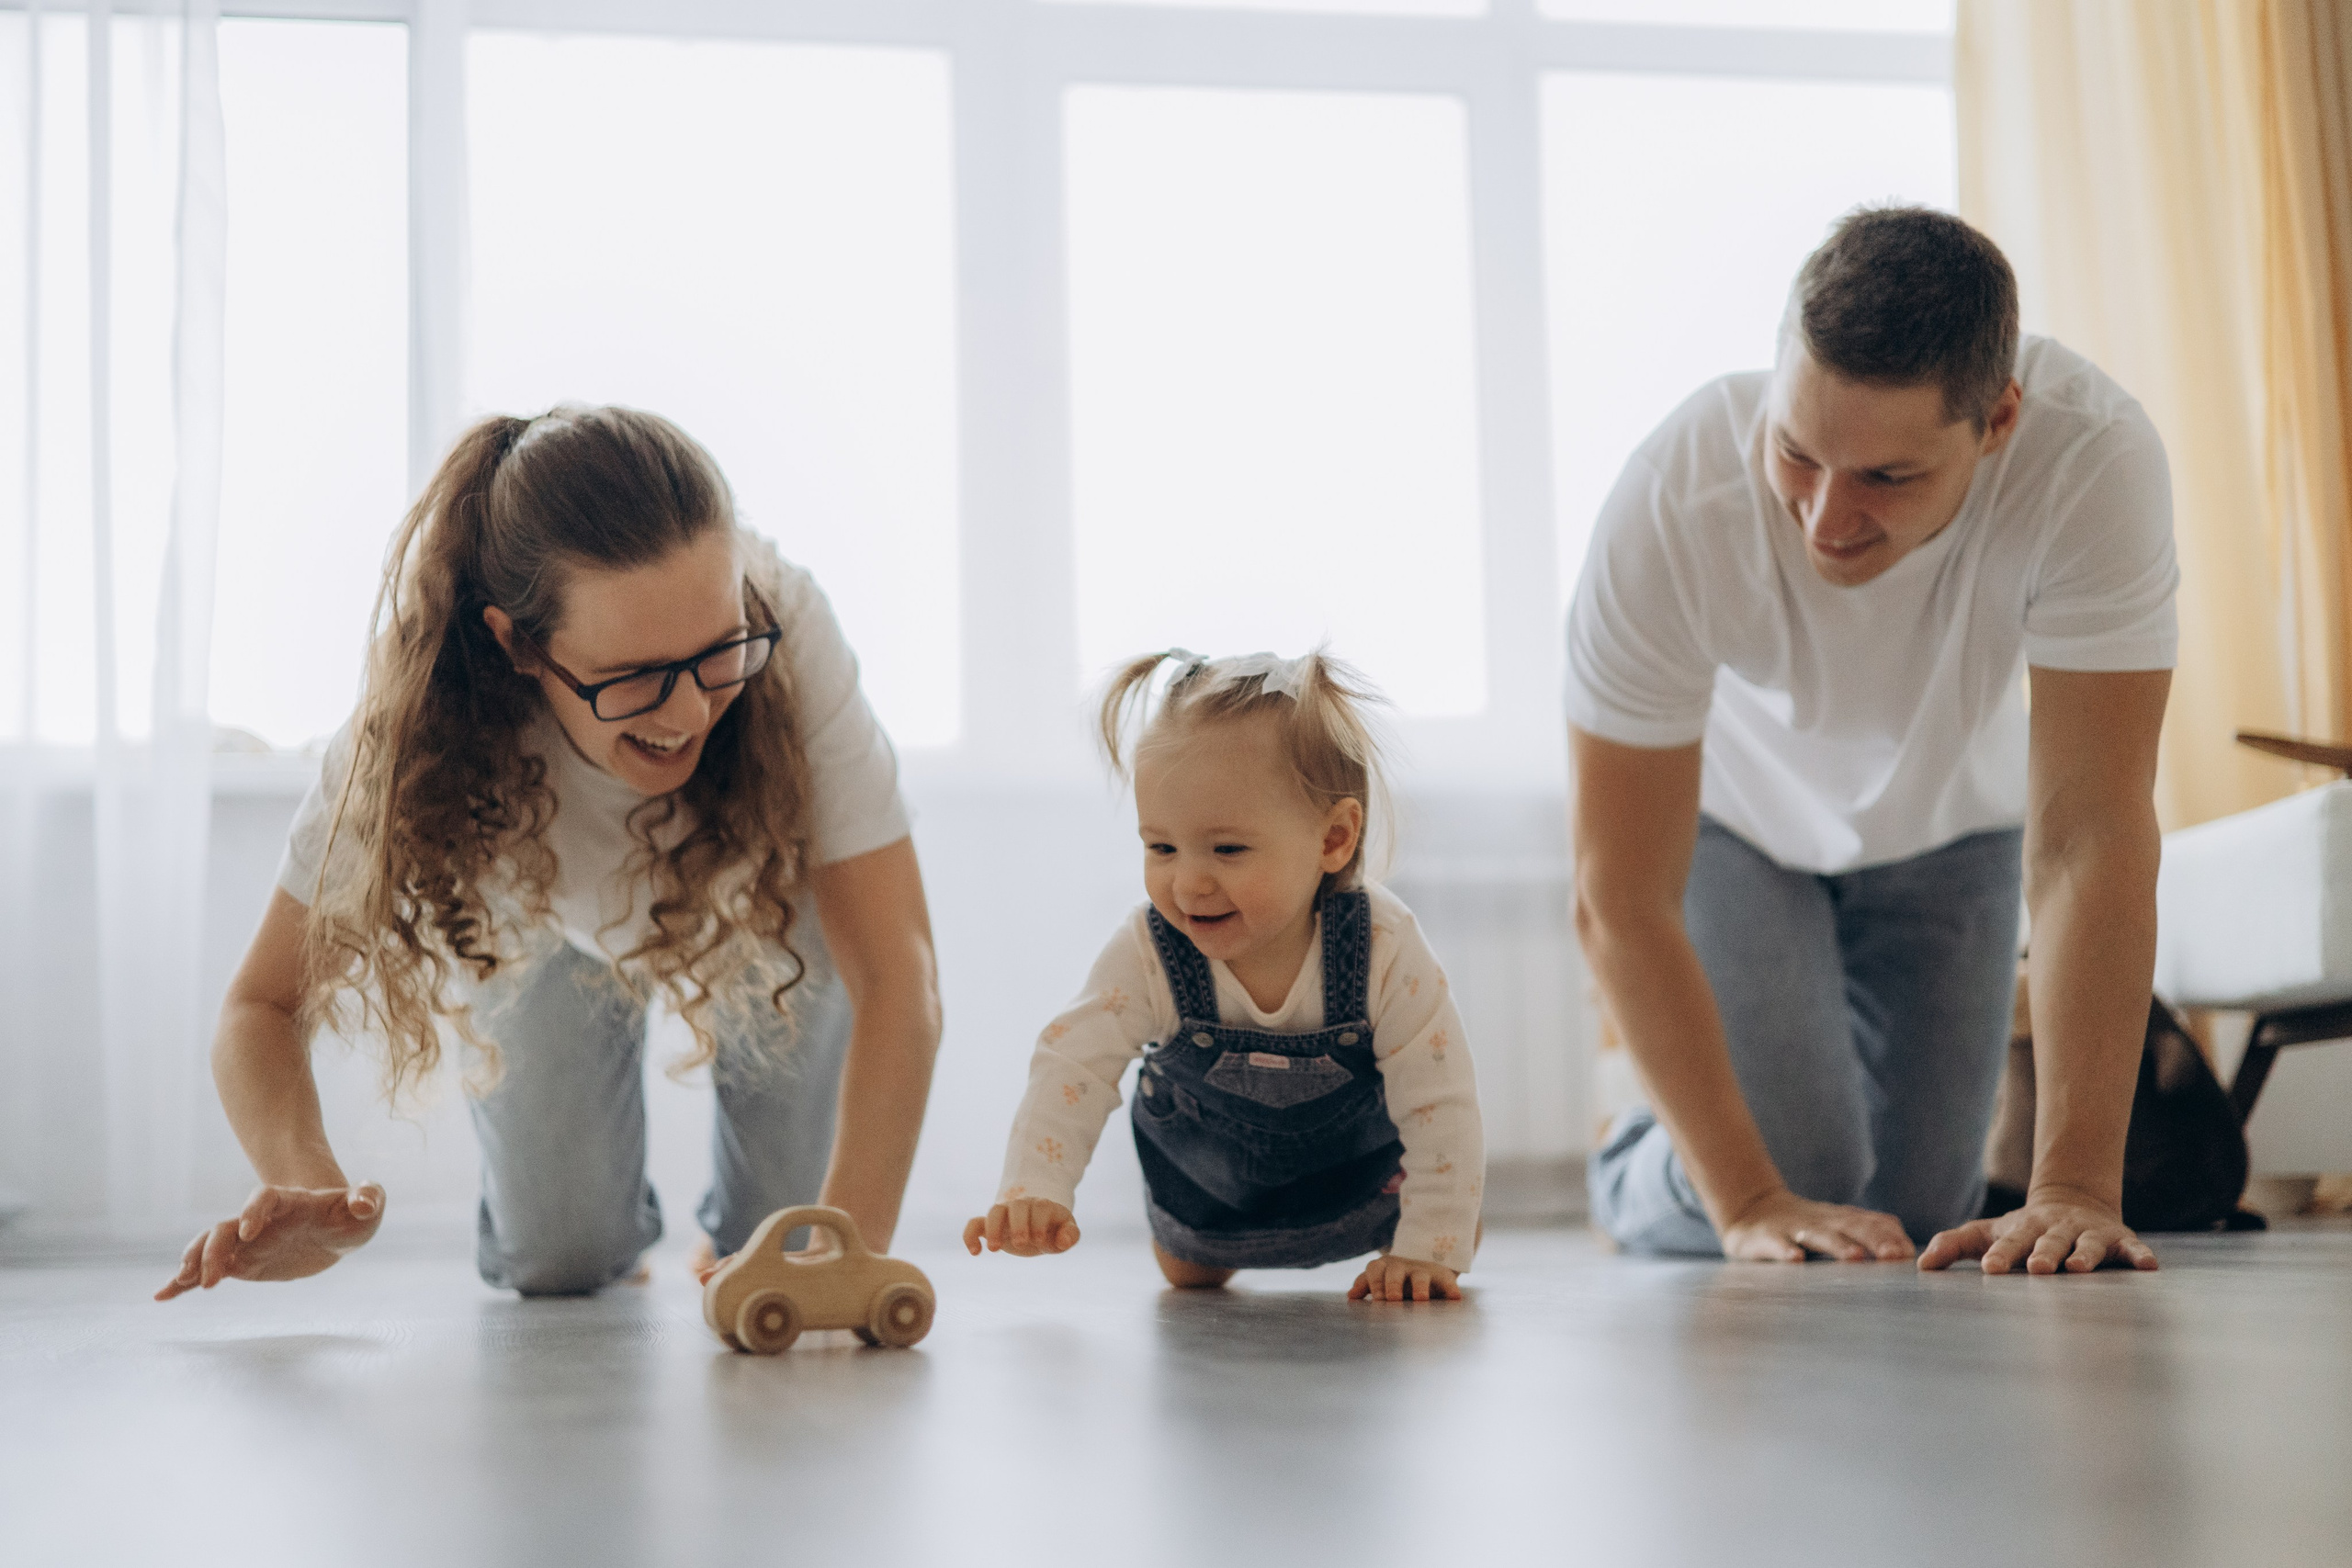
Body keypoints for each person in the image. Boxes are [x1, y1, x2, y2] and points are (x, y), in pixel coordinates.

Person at [158, 406, 942, 1300]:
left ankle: (743, 1240)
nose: (688, 714)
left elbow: (898, 971)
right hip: (539, 921)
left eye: (719, 652)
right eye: (638, 676)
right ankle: (607, 1238)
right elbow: (260, 1004)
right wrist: (305, 1182)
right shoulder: (417, 711)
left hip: (761, 900)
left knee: (790, 1238)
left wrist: (842, 1258)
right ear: (517, 645)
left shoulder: (787, 623)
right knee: (556, 1260)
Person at [1570, 207, 2173, 1276]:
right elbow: (1617, 892)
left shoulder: (2092, 463)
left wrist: (2074, 1190)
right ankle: (1638, 1163)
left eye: (1886, 479)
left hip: (1952, 831)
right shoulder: (1672, 496)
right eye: (1797, 454)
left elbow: (2090, 835)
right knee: (1800, 1171)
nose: (1822, 521)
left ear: (1997, 424)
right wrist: (1747, 1198)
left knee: (1916, 1210)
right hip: (1736, 830)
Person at [965, 649, 1484, 1301]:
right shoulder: (1150, 950)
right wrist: (1033, 1186)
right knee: (1189, 1273)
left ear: (1332, 839)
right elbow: (1074, 1062)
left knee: (1434, 1226)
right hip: (1208, 1180)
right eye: (1161, 847)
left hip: (1359, 1180)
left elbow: (1440, 1098)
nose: (1188, 882)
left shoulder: (1382, 943)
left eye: (1228, 849)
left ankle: (1415, 1226)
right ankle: (1207, 1233)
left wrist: (1432, 1241)